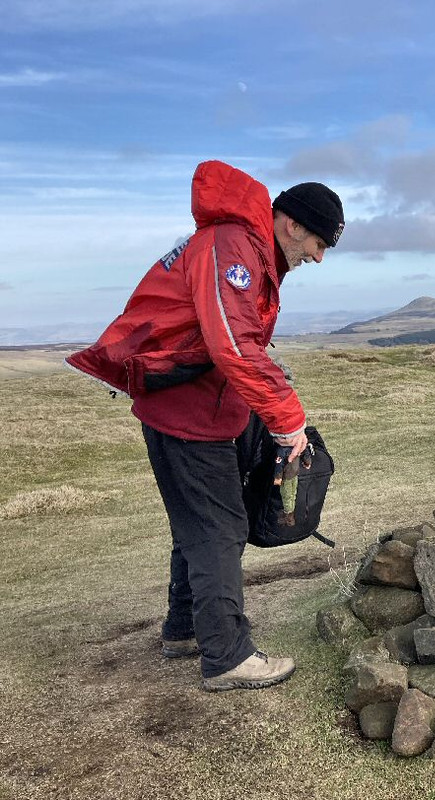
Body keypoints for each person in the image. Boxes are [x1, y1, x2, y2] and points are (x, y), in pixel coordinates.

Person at [66, 160, 345, 691]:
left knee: (200, 524)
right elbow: (232, 343)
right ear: (293, 224)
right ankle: (228, 656)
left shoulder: (249, 249)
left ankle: (185, 627)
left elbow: (227, 342)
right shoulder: (232, 246)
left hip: (209, 410)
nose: (318, 256)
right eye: (319, 243)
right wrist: (288, 420)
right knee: (220, 528)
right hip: (187, 417)